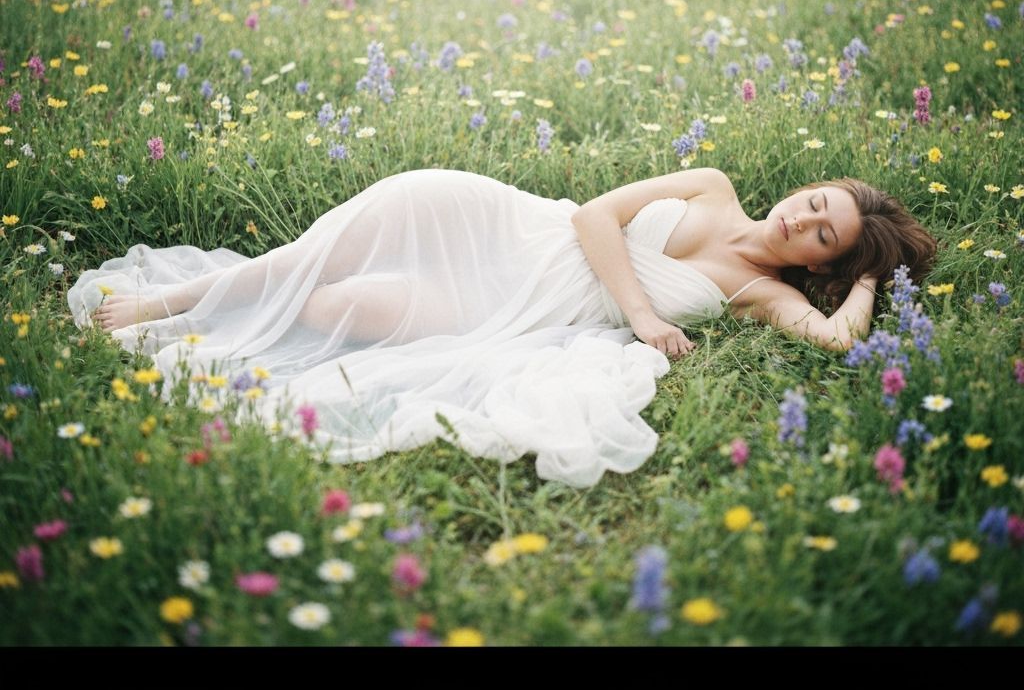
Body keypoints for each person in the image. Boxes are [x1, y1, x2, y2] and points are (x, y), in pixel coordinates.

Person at [69, 166, 936, 486]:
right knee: (335, 251)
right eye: (817, 204)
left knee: (342, 310)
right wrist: (640, 313)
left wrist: (868, 279)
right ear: (807, 186)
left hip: (516, 314)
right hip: (504, 226)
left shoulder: (762, 293)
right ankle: (181, 301)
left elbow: (837, 344)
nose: (804, 222)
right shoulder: (710, 186)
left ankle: (227, 307)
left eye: (826, 238)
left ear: (825, 265)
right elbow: (594, 216)